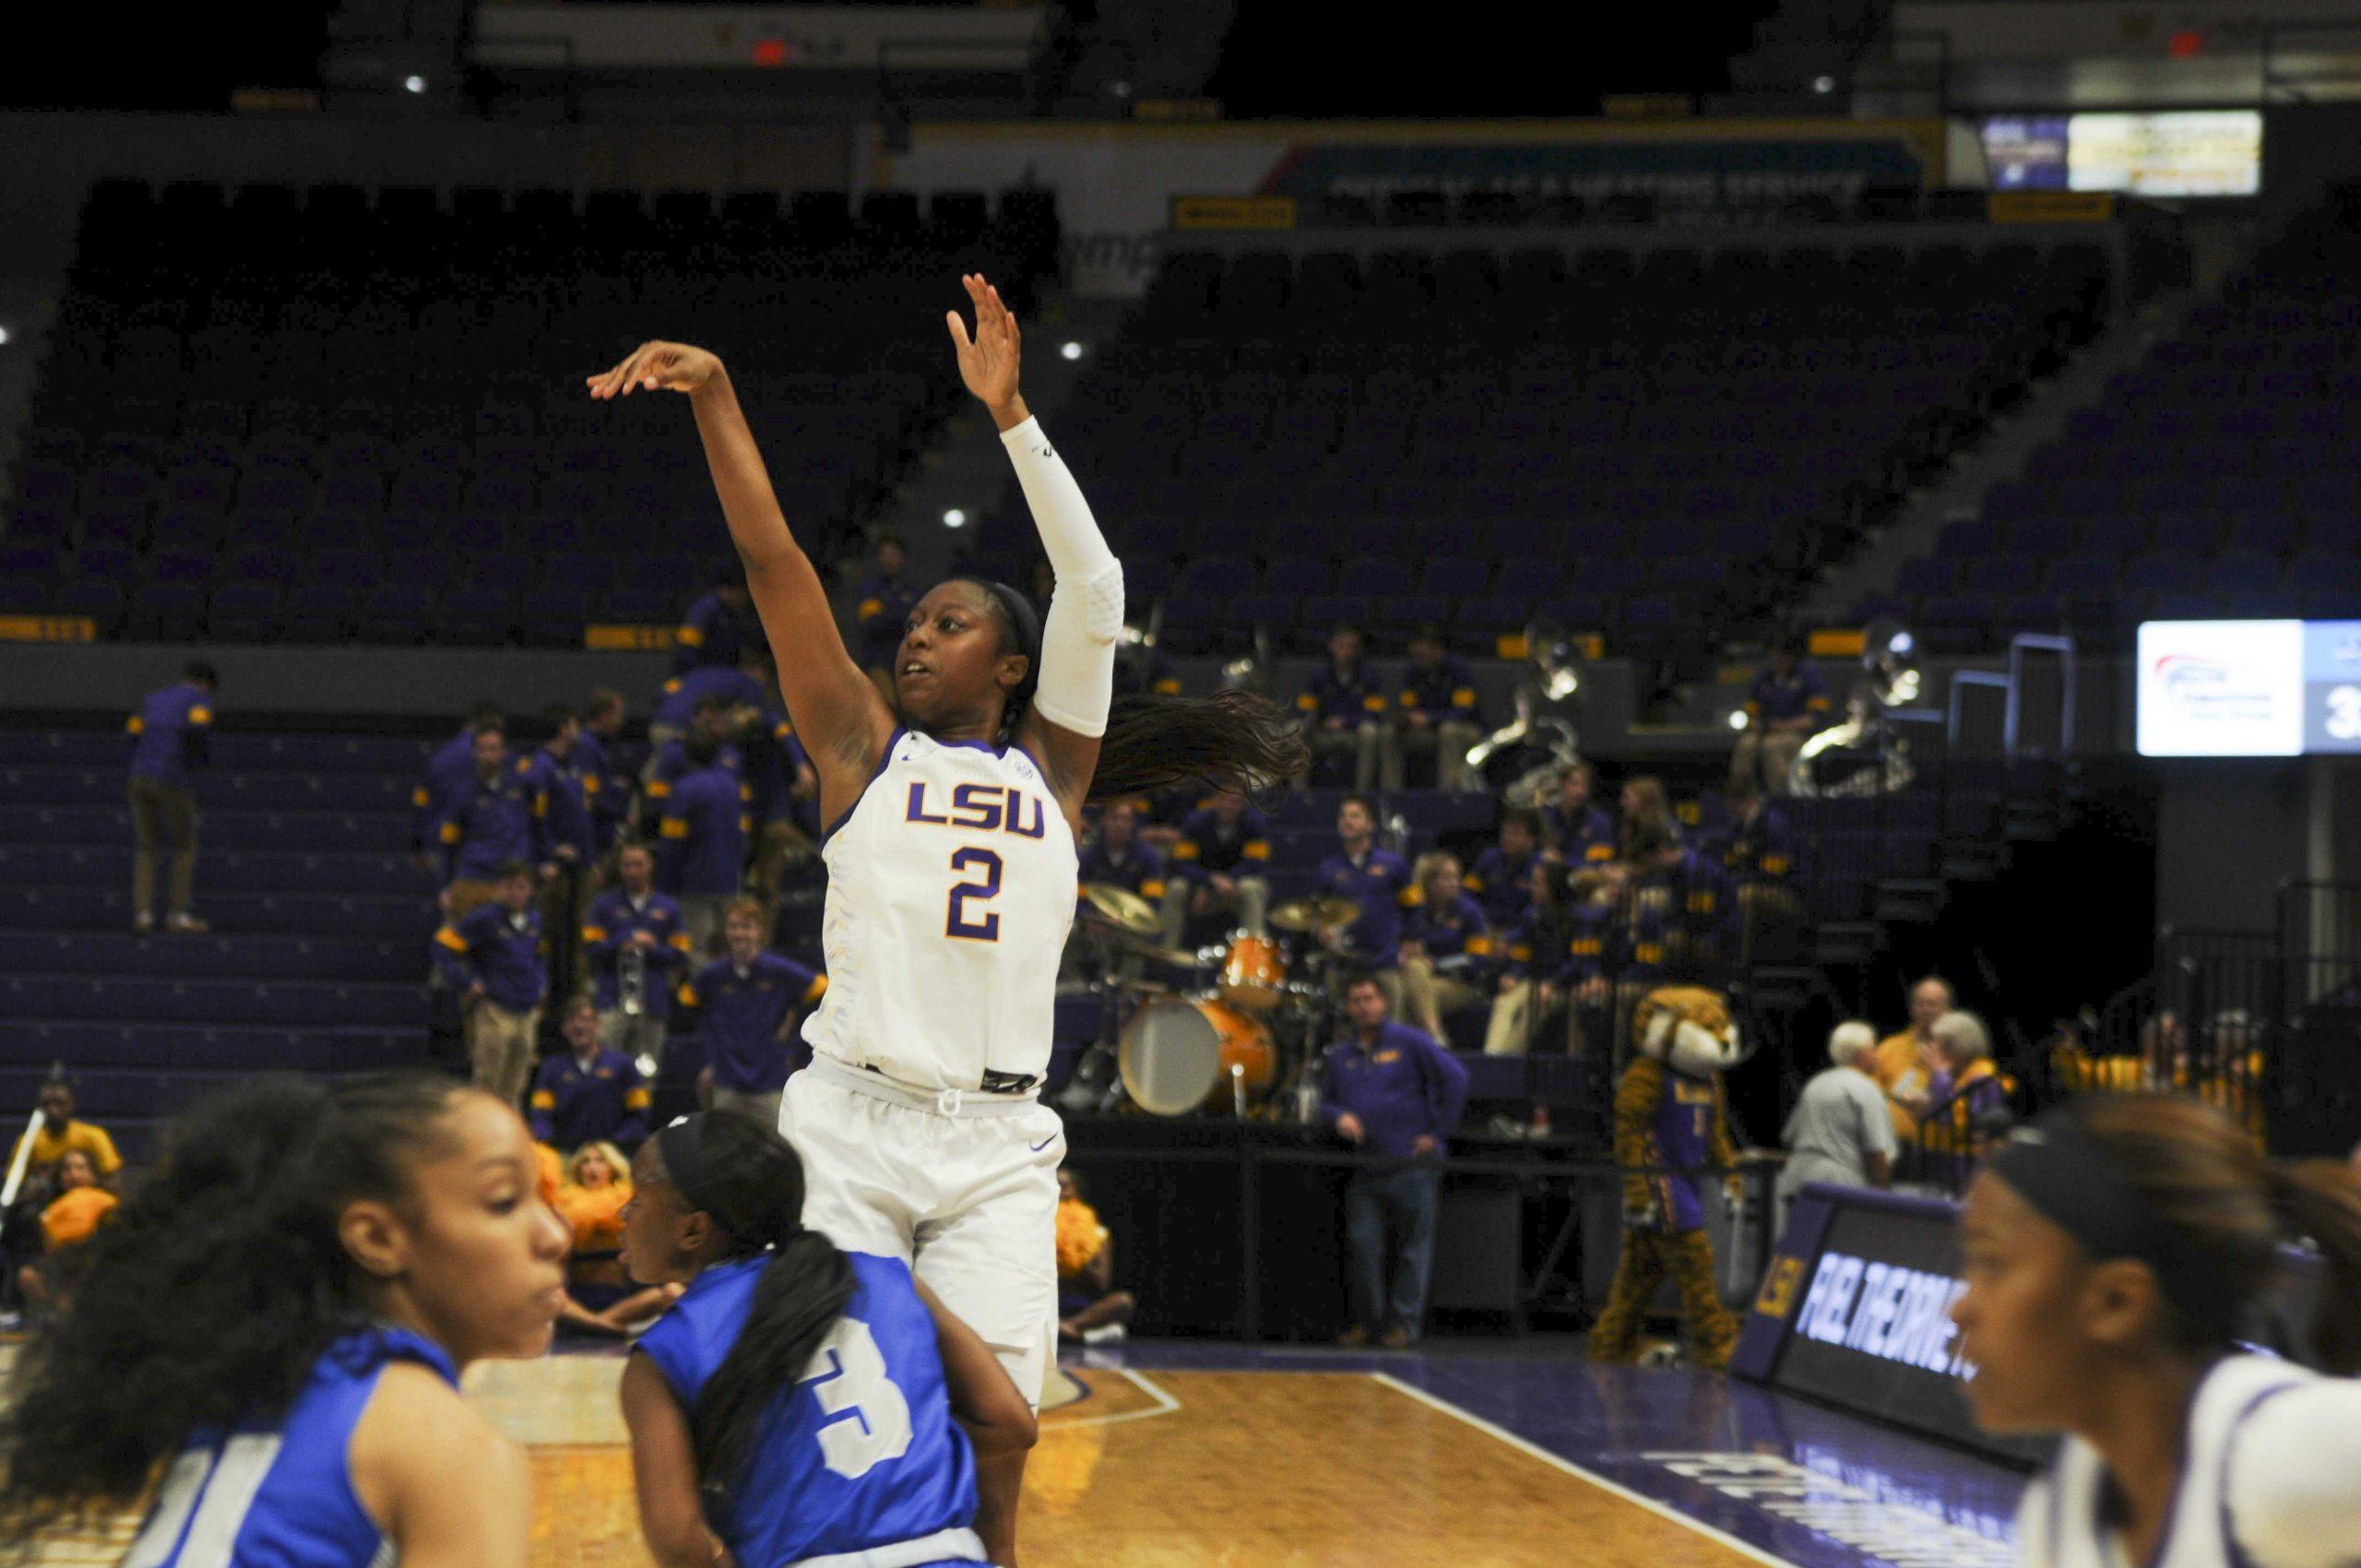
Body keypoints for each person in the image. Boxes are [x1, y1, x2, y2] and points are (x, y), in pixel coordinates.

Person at [587, 277, 1300, 1556]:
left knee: (1007, 1426)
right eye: (915, 623)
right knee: (810, 1405)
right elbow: (775, 564)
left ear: (1013, 665)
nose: (918, 638)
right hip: (853, 1126)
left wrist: (1014, 414)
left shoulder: (1056, 773)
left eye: (950, 624)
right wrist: (717, 397)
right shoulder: (862, 747)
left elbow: (1095, 579)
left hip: (996, 1139)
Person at [0, 1074, 567, 1562]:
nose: (556, 1236)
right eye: (503, 1201)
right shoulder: (450, 1448)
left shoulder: (260, 1392)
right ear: (375, 1238)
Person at [1952, 1095, 2361, 1568]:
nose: (1960, 1307)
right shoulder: (2058, 1514)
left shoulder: (2278, 1455)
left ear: (2116, 1302)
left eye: (1992, 1264)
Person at [617, 1112, 1038, 1568]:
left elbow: (678, 1542)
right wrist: (908, 1458)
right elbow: (1010, 1423)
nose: (621, 1214)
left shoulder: (664, 1351)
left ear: (693, 1230)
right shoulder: (891, 1279)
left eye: (636, 1199)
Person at [1319, 973, 1469, 1348]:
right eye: (1355, 1000)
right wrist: (1338, 1115)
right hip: (1365, 1167)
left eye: (1369, 998)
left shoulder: (1411, 1042)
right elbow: (1325, 1101)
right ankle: (1367, 1322)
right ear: (1348, 1007)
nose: (1363, 1006)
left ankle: (1403, 1326)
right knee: (1362, 1246)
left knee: (1412, 1251)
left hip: (1411, 1164)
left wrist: (1437, 1133)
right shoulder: (1342, 1055)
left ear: (1384, 1002)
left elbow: (1457, 1078)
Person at [680, 898, 828, 1132]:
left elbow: (822, 989)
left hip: (770, 1080)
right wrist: (712, 1054)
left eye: (746, 927)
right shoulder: (715, 975)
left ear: (759, 931)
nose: (740, 933)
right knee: (723, 1151)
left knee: (777, 1150)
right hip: (727, 1082)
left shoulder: (777, 970)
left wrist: (796, 1039)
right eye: (734, 927)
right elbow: (688, 1001)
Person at [431, 860, 548, 1111]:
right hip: (496, 1008)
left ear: (530, 890)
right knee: (488, 1081)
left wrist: (541, 983)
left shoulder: (534, 920)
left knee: (517, 1083)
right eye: (509, 887)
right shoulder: (484, 919)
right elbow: (443, 946)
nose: (515, 893)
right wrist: (465, 983)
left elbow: (540, 955)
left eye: (521, 887)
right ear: (498, 889)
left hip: (526, 1009)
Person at [125, 659, 218, 934]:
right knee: (184, 846)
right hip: (172, 778)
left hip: (140, 776)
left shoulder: (153, 699)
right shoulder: (199, 699)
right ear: (206, 683)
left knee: (146, 847)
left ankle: (143, 914)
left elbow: (131, 731)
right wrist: (197, 762)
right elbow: (198, 730)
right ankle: (176, 915)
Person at [584, 841, 694, 1072]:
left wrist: (652, 947)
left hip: (652, 1003)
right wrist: (622, 942)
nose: (633, 871)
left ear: (650, 865)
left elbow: (681, 954)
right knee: (606, 1071)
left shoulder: (669, 907)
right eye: (627, 865)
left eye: (638, 864)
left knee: (646, 1074)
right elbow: (591, 948)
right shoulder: (604, 905)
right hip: (613, 1002)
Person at [1774, 1020, 1898, 1222]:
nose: (1877, 1056)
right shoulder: (1865, 1088)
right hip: (1839, 1189)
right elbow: (1877, 1152)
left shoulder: (1815, 1083)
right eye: (1873, 1049)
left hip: (1798, 1183)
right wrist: (1884, 1200)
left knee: (1797, 1252)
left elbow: (1789, 1136)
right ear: (1860, 1053)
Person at [656, 731, 751, 958]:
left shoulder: (683, 789)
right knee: (730, 944)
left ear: (687, 755)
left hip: (695, 880)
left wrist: (665, 883)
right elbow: (744, 831)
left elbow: (673, 842)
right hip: (729, 876)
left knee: (698, 947)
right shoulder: (733, 786)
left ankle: (700, 994)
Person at [1318, 795, 1414, 1013]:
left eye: (1355, 815)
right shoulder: (1329, 868)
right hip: (1343, 962)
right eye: (1343, 816)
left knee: (1391, 1028)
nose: (1347, 820)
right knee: (1340, 1023)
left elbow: (1414, 906)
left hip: (1384, 961)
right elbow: (1317, 911)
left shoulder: (1393, 865)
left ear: (1371, 825)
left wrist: (1409, 940)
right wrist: (1322, 930)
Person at [434, 724, 540, 921]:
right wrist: (444, 886)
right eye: (482, 749)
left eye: (493, 749)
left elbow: (536, 827)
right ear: (474, 752)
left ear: (504, 752)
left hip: (509, 881)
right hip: (472, 879)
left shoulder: (520, 786)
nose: (488, 756)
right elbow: (448, 843)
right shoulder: (461, 792)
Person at [528, 999, 653, 1153]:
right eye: (572, 1021)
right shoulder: (551, 1068)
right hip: (565, 1153)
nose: (579, 1026)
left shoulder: (624, 1065)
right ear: (564, 1028)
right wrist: (549, 1144)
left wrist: (616, 1145)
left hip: (613, 1153)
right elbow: (540, 1115)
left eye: (585, 1020)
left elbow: (639, 1113)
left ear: (597, 1025)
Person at [1159, 787, 1272, 948]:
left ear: (1243, 804)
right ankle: (1166, 953)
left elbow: (1255, 863)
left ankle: (1251, 959)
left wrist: (1229, 880)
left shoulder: (1255, 823)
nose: (1228, 806)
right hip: (1200, 888)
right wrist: (1209, 881)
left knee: (1251, 887)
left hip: (1236, 889)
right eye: (1224, 800)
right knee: (1176, 887)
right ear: (1215, 801)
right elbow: (1182, 863)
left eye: (1234, 801)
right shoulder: (1195, 822)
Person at [14, 1148, 119, 1313]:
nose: (73, 1174)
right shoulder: (50, 1208)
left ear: (94, 1174)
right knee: (28, 1275)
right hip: (62, 1268)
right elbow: (48, 1249)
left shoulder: (109, 1203)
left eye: (81, 1168)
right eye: (67, 1169)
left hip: (100, 1268)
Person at [1398, 851, 1488, 1042]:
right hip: (1421, 977)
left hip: (1460, 982)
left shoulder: (1471, 912)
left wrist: (1438, 964)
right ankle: (1436, 1041)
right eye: (1446, 878)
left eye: (1456, 878)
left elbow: (1478, 958)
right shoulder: (1418, 913)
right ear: (1430, 884)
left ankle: (1431, 1040)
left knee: (1410, 995)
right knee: (1413, 970)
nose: (1454, 883)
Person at [1922, 1008, 2012, 1189]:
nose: (1939, 1052)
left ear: (1963, 1044)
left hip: (1969, 1163)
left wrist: (1940, 1075)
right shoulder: (1953, 1073)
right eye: (1937, 1045)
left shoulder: (1983, 1076)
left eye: (1945, 1046)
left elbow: (1957, 1121)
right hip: (1943, 1156)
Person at [1296, 623, 1388, 791]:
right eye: (1341, 646)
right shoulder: (1319, 675)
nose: (1345, 651)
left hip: (1354, 734)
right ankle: (1298, 793)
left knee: (1370, 731)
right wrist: (1318, 721)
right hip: (1323, 733)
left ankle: (1362, 793)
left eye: (1351, 647)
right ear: (1332, 646)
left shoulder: (1369, 675)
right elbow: (1304, 706)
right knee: (1294, 729)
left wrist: (1346, 722)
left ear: (1358, 649)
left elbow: (1375, 712)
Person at [1390, 624, 1482, 791]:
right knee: (1388, 733)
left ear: (1438, 650)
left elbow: (1463, 712)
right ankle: (1391, 794)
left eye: (1424, 655)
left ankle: (1447, 794)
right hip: (1428, 732)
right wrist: (1404, 719)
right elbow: (1406, 706)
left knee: (1449, 730)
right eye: (1416, 655)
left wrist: (1429, 719)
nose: (1420, 660)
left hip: (1466, 729)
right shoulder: (1412, 672)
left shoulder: (1459, 671)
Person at [1730, 640, 1828, 797]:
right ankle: (1745, 798)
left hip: (1796, 733)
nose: (1778, 660)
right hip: (1766, 731)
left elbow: (1815, 718)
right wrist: (1758, 725)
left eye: (1782, 656)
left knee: (1771, 746)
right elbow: (1751, 713)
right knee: (1746, 745)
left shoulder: (1807, 677)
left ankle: (1781, 798)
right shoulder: (1764, 679)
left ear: (1791, 657)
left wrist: (1783, 726)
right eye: (1774, 656)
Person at [412, 700, 504, 867]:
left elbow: (420, 803)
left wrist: (419, 844)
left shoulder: (438, 758)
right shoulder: (489, 759)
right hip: (473, 846)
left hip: (437, 841)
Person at [1053, 1168, 1134, 1344]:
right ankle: (1084, 1336)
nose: (1058, 1191)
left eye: (1064, 1185)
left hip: (1082, 1308)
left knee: (1123, 1302)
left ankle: (1068, 1327)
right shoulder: (1036, 1227)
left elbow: (1101, 1284)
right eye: (1054, 1184)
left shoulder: (1099, 1234)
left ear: (1076, 1191)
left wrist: (1081, 1261)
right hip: (1046, 1303)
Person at [1874, 974, 1952, 1151]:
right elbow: (1871, 1094)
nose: (1925, 1009)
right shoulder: (1889, 1047)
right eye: (1920, 1003)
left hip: (1939, 1150)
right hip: (1893, 1146)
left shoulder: (1957, 1052)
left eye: (1932, 1004)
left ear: (1947, 1009)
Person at [10, 1079, 122, 1189]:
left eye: (60, 1103)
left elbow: (114, 1181)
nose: (53, 1110)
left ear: (71, 1104)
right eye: (47, 1104)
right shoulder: (27, 1142)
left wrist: (85, 1182)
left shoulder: (93, 1136)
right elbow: (12, 1187)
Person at [851, 530, 920, 693]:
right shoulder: (869, 589)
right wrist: (904, 616)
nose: (889, 560)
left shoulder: (912, 591)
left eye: (894, 554)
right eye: (885, 555)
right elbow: (871, 623)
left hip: (907, 659)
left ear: (902, 558)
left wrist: (889, 614)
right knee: (886, 706)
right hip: (878, 661)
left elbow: (919, 623)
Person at [576, 688, 635, 861]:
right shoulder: (586, 746)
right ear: (604, 716)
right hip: (594, 835)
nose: (621, 721)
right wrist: (622, 814)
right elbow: (591, 795)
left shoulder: (599, 744)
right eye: (618, 715)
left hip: (603, 831)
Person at [1464, 806, 1543, 930]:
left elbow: (1540, 911)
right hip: (1486, 929)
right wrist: (1479, 922)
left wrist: (1511, 936)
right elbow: (1467, 894)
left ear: (1532, 838)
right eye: (1505, 832)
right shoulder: (1488, 859)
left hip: (1522, 937)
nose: (1507, 839)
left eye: (1515, 834)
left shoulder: (1541, 867)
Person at [671, 567, 757, 675]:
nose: (744, 597)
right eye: (741, 592)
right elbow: (685, 649)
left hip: (723, 673)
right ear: (726, 590)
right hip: (700, 675)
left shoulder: (736, 612)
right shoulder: (705, 609)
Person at [1544, 760, 1616, 866]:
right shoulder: (1548, 817)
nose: (1580, 792)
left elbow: (1601, 861)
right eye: (1574, 784)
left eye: (1584, 786)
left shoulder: (1600, 822)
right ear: (1561, 784)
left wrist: (1564, 861)